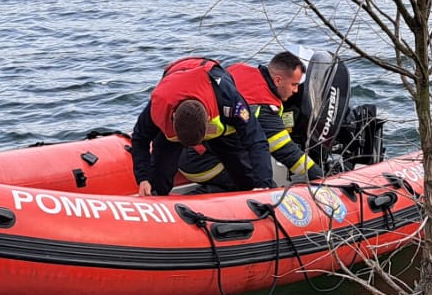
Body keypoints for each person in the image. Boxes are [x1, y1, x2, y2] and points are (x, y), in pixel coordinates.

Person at [130, 57, 273, 196]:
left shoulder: (229, 100)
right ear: (173, 118)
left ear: (208, 120)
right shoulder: (159, 105)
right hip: (175, 82)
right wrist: (143, 178)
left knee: (243, 172)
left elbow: (256, 140)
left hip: (213, 97)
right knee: (159, 171)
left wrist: (263, 185)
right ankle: (157, 195)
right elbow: (140, 138)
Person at [228, 51, 319, 185]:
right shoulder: (264, 106)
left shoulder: (240, 68)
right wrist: (321, 177)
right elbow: (288, 153)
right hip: (206, 158)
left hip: (204, 139)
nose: (296, 91)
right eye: (293, 85)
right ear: (278, 80)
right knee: (266, 186)